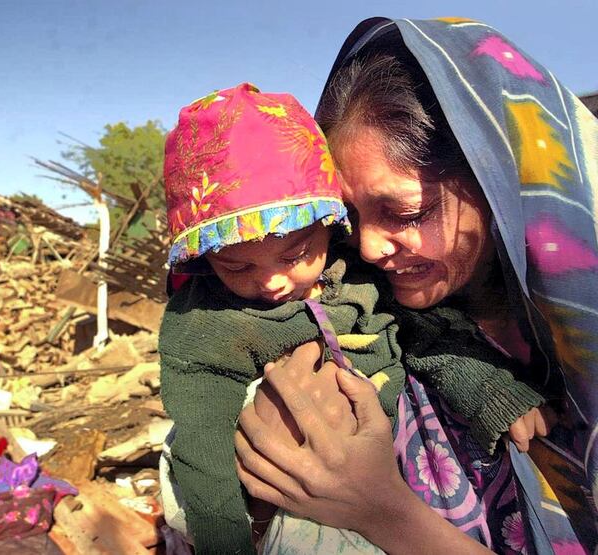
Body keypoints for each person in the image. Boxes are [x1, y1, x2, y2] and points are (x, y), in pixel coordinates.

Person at [235, 17, 597, 553]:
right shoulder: (367, 320)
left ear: (501, 180)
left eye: (406, 212)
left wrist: (381, 510)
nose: (368, 249)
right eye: (350, 217)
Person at [159, 82, 553, 554]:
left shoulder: (361, 278)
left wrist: (491, 393)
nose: (271, 283)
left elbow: (432, 338)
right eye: (237, 268)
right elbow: (203, 450)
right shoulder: (208, 323)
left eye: (295, 254)